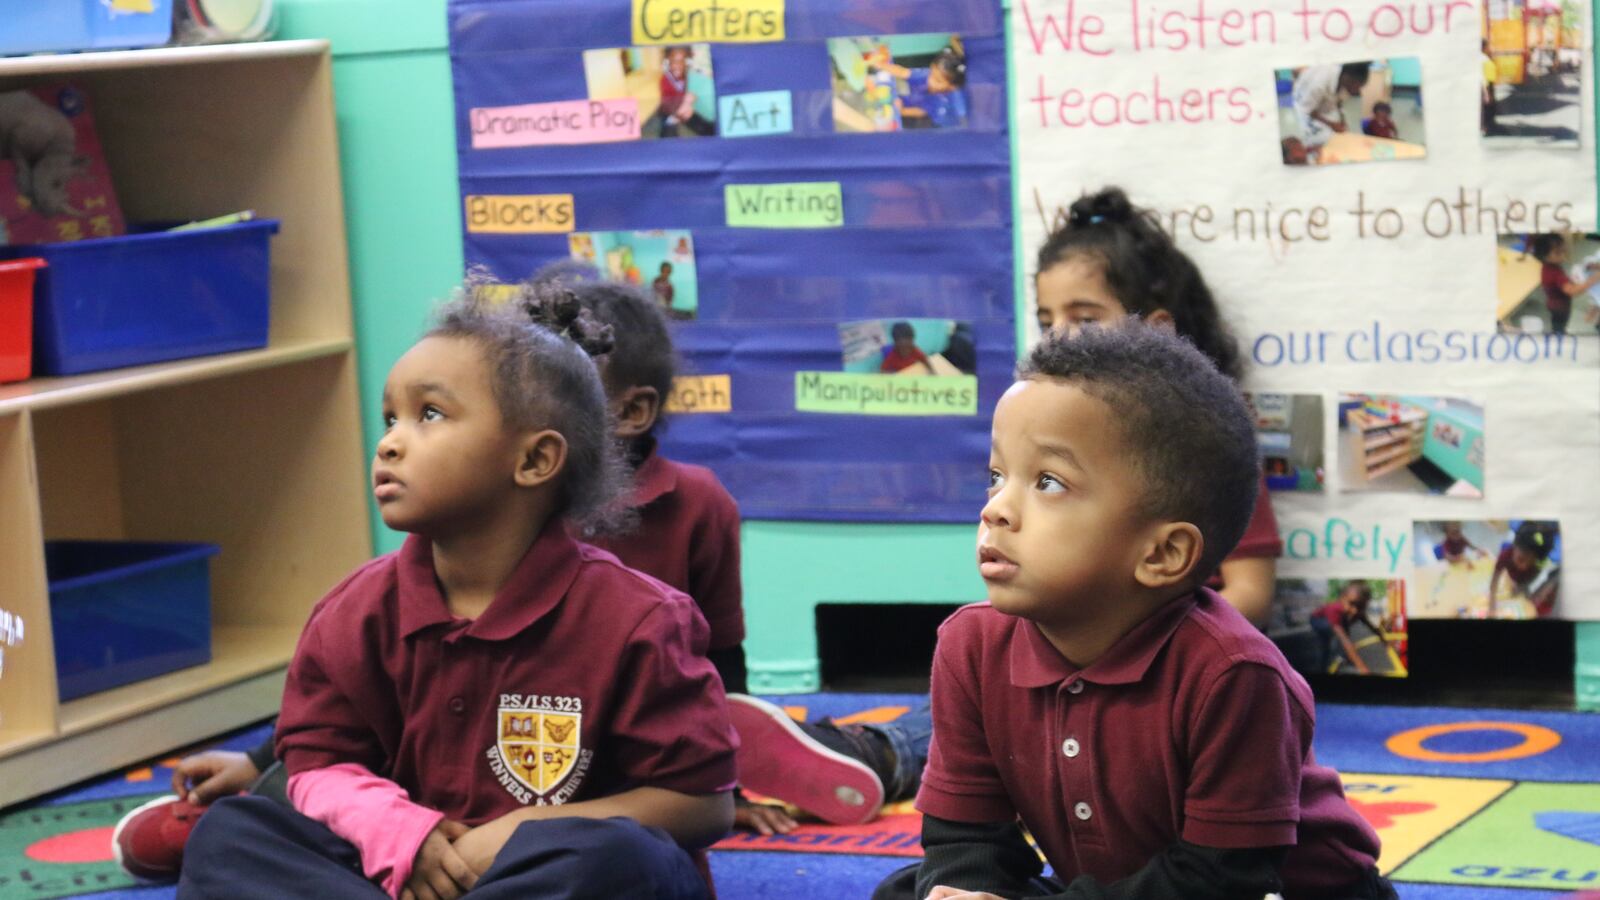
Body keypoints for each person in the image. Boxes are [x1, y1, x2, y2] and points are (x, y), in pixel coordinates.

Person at [732, 188, 1284, 827]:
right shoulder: (975, 640)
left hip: (1159, 653)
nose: (1062, 335)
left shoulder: (1198, 456)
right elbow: (966, 852)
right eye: (1048, 319)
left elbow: (1250, 591)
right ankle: (869, 751)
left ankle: (875, 754)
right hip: (1066, 640)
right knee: (986, 701)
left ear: (1152, 331)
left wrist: (1148, 626)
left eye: (1084, 315)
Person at [175, 287, 736, 899]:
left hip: (545, 873)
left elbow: (704, 805)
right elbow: (316, 766)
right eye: (390, 418)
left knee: (620, 858)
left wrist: (519, 830)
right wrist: (396, 831)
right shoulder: (353, 612)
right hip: (405, 870)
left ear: (535, 459)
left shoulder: (639, 619)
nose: (389, 442)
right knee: (232, 836)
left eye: (429, 415)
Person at [875, 323, 1390, 900]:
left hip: (1266, 892)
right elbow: (964, 837)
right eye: (997, 477)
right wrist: (967, 892)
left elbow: (1219, 880)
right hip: (1116, 889)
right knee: (908, 891)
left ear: (1162, 553)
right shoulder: (969, 646)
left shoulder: (1233, 674)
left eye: (1047, 482)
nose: (996, 508)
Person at [527, 262, 793, 835]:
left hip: (662, 738)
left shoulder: (699, 502)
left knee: (858, 746)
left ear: (630, 411)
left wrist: (730, 786)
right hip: (545, 733)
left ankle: (890, 745)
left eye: (558, 392)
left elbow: (722, 659)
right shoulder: (511, 498)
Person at [1309, 582, 1390, 675]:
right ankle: (1326, 664)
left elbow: (1373, 628)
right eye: (1352, 604)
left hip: (1339, 622)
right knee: (1332, 640)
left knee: (1344, 631)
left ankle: (1344, 656)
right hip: (1318, 620)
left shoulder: (1357, 612)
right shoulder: (1334, 609)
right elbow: (1345, 641)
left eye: (1361, 606)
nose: (1355, 610)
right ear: (1342, 598)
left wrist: (1385, 641)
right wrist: (1363, 669)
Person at [1530, 234, 1600, 335]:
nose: (1563, 255)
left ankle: (1560, 331)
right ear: (1545, 257)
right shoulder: (1555, 273)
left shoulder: (1548, 266)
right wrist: (1593, 279)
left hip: (1553, 302)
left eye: (1563, 250)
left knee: (1558, 322)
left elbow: (1563, 284)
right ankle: (1560, 336)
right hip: (1560, 308)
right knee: (1559, 324)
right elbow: (1572, 292)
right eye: (1558, 253)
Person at [1293, 62, 1370, 152]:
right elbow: (1309, 111)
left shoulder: (1344, 80)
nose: (1358, 91)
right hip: (1306, 104)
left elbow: (1339, 101)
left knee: (1336, 134)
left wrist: (1342, 119)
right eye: (1356, 86)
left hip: (1324, 102)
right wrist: (1332, 125)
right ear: (1347, 78)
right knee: (1317, 139)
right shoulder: (1318, 85)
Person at [1490, 521, 1555, 617]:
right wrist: (1492, 599)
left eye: (1531, 562)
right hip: (1510, 578)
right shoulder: (1505, 555)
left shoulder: (1537, 564)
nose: (1524, 567)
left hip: (1522, 585)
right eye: (1521, 559)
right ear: (1514, 546)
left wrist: (1521, 587)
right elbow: (1495, 577)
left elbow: (1533, 578)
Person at [658, 46, 714, 137]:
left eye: (682, 61)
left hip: (689, 110)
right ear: (667, 62)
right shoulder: (665, 80)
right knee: (668, 126)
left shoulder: (690, 76)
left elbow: (694, 94)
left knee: (705, 127)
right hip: (672, 110)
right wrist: (680, 108)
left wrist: (689, 103)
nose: (678, 65)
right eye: (673, 61)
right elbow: (667, 103)